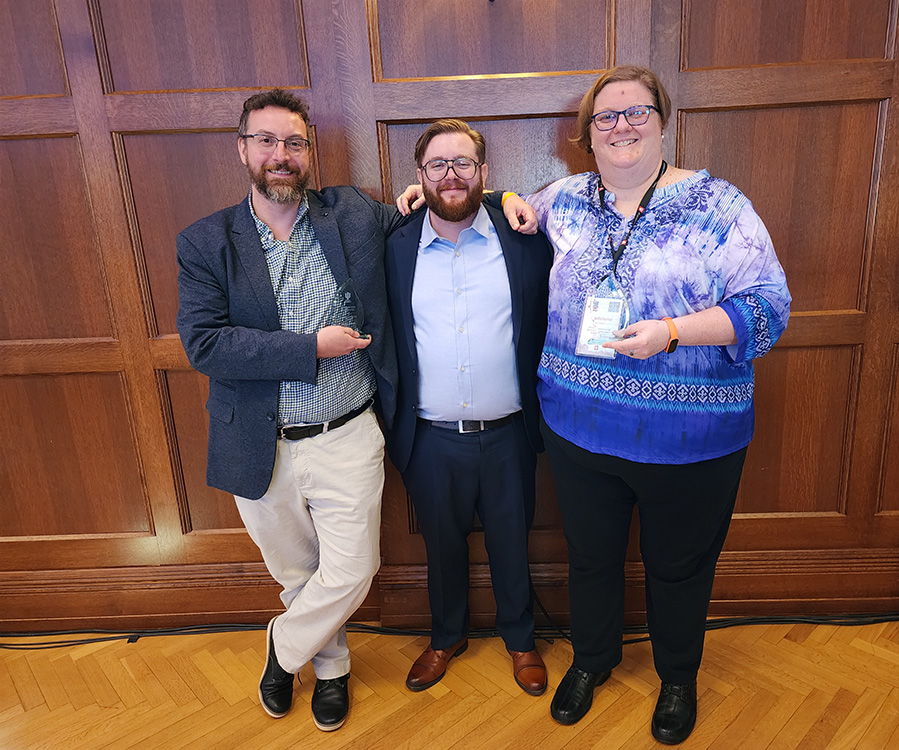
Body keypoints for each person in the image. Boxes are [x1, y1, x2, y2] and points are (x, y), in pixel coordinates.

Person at [400, 65, 790, 745]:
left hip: (692, 441)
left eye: (636, 111)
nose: (622, 126)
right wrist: (427, 189)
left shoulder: (720, 204)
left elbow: (770, 308)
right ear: (586, 135)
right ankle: (591, 661)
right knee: (591, 559)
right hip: (580, 433)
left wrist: (674, 331)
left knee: (678, 567)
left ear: (662, 120)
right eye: (606, 117)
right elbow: (488, 204)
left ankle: (676, 679)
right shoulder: (564, 199)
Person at [176, 88, 408, 733]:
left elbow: (432, 213)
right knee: (297, 573)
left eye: (295, 143)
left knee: (354, 569)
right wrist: (310, 347)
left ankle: (282, 650)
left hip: (348, 433)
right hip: (258, 440)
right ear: (243, 149)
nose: (282, 155)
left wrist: (502, 201)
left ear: (310, 152)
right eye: (268, 141)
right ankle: (330, 671)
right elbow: (206, 344)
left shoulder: (353, 214)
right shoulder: (205, 242)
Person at [384, 120, 552, 695]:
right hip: (429, 437)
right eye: (437, 165)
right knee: (441, 544)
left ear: (484, 173)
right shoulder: (395, 245)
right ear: (420, 176)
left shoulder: (524, 236)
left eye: (463, 163)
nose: (450, 174)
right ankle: (445, 635)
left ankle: (522, 639)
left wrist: (509, 199)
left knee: (512, 538)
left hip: (510, 430)